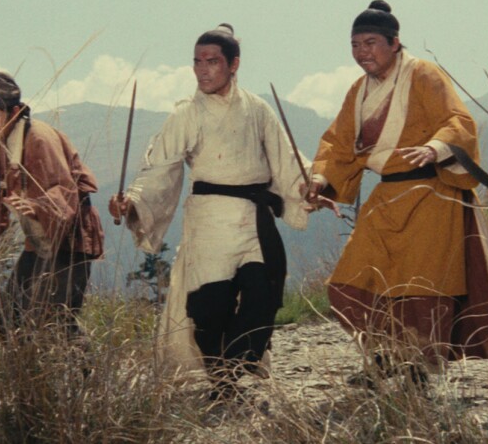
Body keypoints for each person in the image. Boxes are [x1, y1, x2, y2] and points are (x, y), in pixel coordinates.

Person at [109, 24, 328, 401]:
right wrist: (132, 201)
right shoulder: (186, 114)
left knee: (263, 296)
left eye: (211, 61)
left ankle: (237, 365)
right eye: (197, 62)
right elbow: (159, 168)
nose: (202, 70)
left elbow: (285, 158)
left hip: (254, 217)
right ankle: (222, 380)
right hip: (210, 220)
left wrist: (309, 185)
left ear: (233, 64)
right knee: (209, 307)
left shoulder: (257, 109)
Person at [305, 0, 488, 386]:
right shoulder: (359, 91)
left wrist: (434, 147)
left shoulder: (424, 74)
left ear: (395, 43)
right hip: (387, 195)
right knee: (354, 278)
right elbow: (339, 145)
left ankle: (417, 368)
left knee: (420, 287)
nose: (362, 53)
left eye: (371, 43)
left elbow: (457, 120)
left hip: (432, 193)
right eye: (355, 45)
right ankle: (386, 355)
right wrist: (320, 180)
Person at [0, 72, 104, 341]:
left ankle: (83, 369)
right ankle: (24, 370)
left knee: (57, 326)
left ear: (13, 112)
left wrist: (36, 206)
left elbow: (64, 191)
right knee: (10, 319)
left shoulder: (39, 138)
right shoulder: (7, 142)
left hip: (69, 241)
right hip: (39, 241)